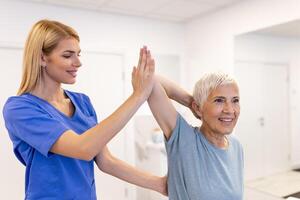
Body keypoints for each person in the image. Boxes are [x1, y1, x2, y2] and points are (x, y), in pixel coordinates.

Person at [2, 19, 167, 199]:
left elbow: (106, 161)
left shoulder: (82, 102)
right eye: (67, 55)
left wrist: (159, 184)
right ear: (42, 58)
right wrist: (138, 96)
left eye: (78, 54)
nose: (78, 63)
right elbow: (83, 148)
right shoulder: (20, 109)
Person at [145, 68, 244, 199]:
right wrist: (190, 103)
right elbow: (149, 79)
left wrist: (200, 106)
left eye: (235, 100)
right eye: (219, 100)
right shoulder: (184, 139)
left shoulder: (236, 146)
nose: (230, 109)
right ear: (198, 108)